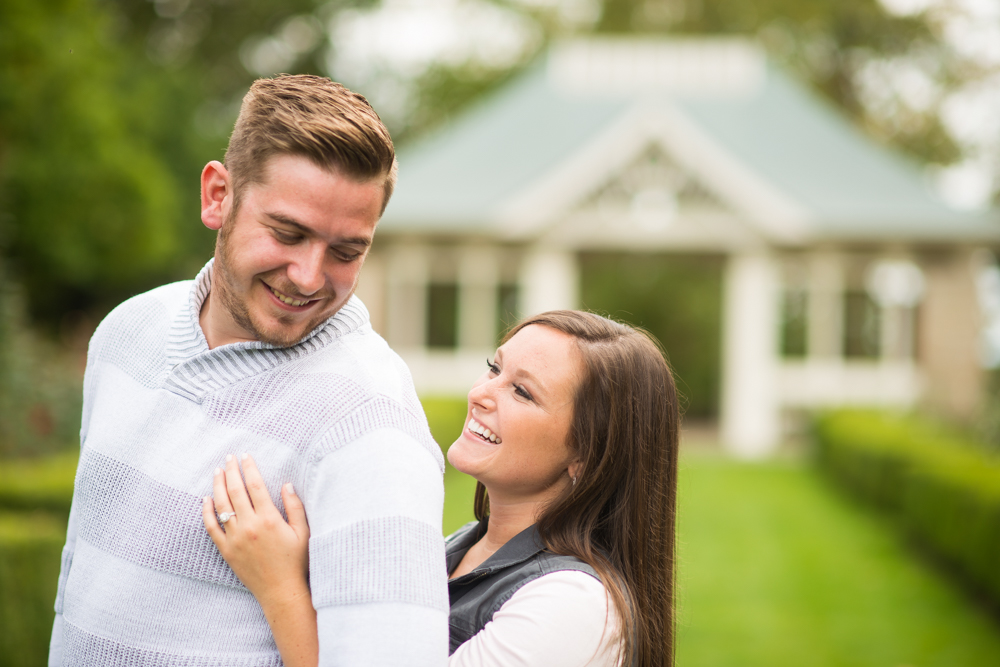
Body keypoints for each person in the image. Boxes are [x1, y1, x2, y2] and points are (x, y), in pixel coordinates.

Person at [48, 75, 449, 666]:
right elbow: (79, 569)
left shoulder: (371, 422)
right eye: (288, 233)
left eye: (346, 251)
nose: (311, 276)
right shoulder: (127, 331)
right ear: (218, 196)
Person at [206, 310, 680, 667]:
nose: (480, 393)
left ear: (588, 455)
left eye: (522, 392)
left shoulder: (574, 607)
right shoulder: (454, 549)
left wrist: (281, 590)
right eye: (495, 369)